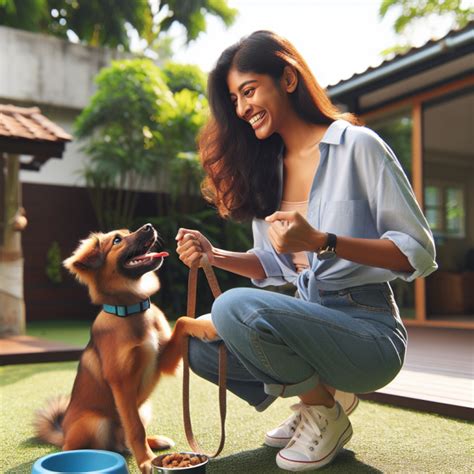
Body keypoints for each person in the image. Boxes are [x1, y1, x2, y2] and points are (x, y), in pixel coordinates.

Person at [175, 30, 437, 472]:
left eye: (249, 90)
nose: (241, 108)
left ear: (288, 79)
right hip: (308, 319)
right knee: (200, 348)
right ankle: (318, 396)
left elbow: (418, 252)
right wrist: (214, 255)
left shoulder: (358, 146)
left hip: (368, 331)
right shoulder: (266, 170)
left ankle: (324, 410)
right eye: (235, 99)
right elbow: (274, 264)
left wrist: (323, 241)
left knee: (233, 308)